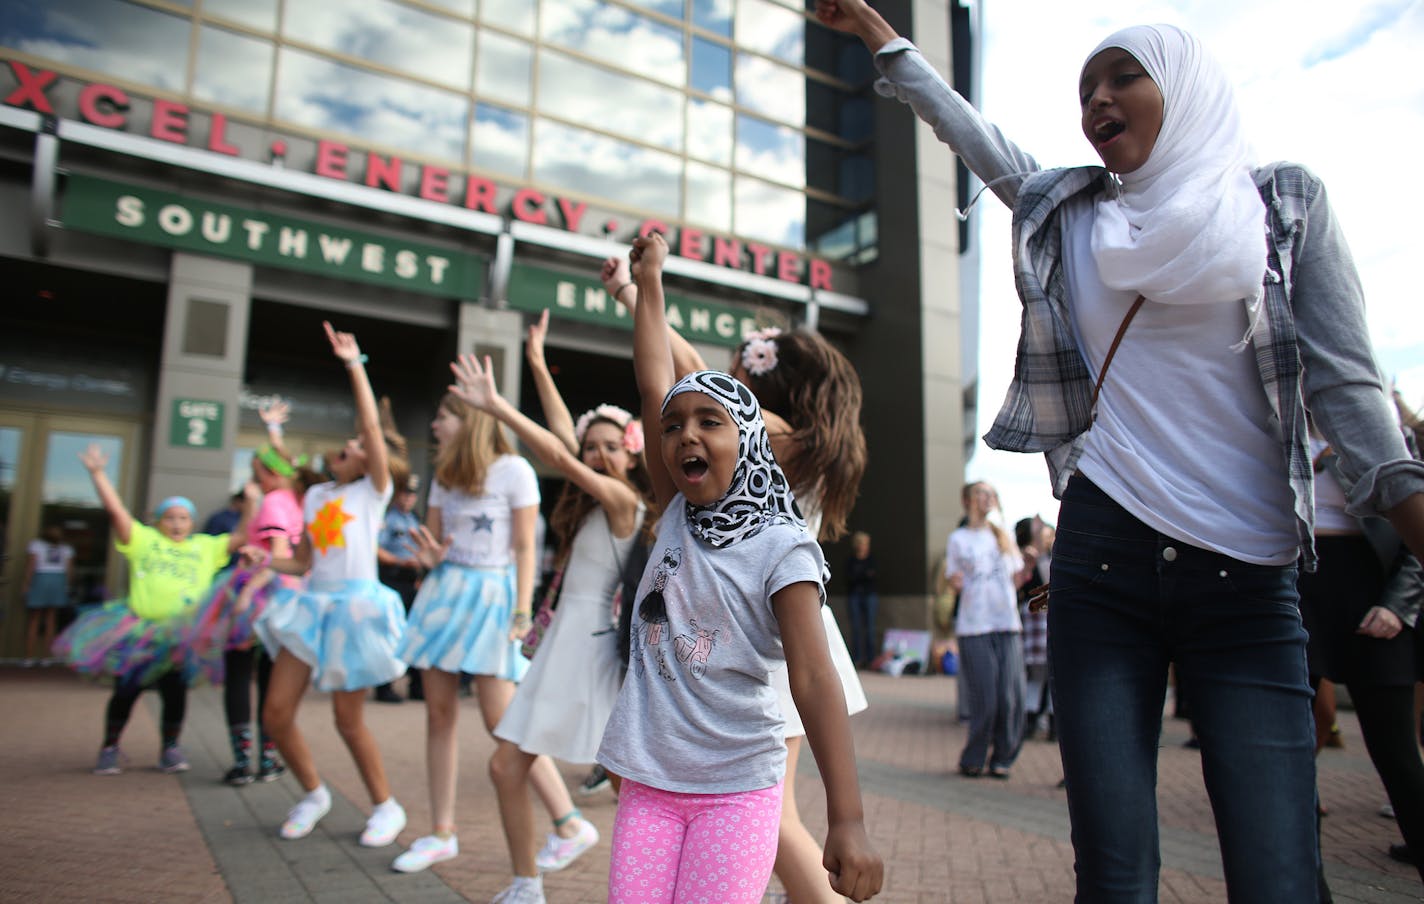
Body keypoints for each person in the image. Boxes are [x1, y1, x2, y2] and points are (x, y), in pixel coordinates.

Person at [819, 3, 1424, 899]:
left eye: (1122, 79)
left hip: (1249, 585)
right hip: (1103, 568)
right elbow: (976, 138)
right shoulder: (1072, 212)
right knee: (1114, 873)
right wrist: (881, 39)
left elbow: (1348, 391)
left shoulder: (1283, 203)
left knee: (1281, 874)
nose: (1097, 101)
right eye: (1084, 91)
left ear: (1183, 89)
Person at [595, 232, 882, 904]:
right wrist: (647, 284)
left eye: (711, 421)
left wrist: (851, 819)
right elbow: (655, 380)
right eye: (673, 428)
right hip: (652, 779)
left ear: (749, 436)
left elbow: (814, 677)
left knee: (774, 839)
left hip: (737, 768)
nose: (686, 434)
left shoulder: (782, 533)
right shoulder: (675, 511)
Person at [442, 318, 653, 900]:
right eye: (595, 447)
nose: (600, 454)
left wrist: (500, 408)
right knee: (507, 767)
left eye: (613, 447)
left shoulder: (623, 500)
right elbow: (566, 436)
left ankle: (669, 881)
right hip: (563, 643)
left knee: (627, 786)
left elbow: (561, 450)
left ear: (631, 457)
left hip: (594, 652)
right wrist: (536, 359)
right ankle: (525, 884)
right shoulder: (586, 503)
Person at [251, 322, 409, 848]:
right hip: (311, 608)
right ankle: (314, 793)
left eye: (357, 443)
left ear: (370, 457)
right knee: (275, 713)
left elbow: (368, 422)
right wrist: (268, 561)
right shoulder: (316, 497)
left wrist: (353, 364)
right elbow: (301, 561)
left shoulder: (373, 491)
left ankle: (386, 807)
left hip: (355, 610)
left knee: (347, 719)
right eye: (346, 444)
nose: (347, 445)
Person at [386, 386, 553, 880]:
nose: (436, 426)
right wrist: (429, 556)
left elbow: (525, 547)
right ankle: (441, 831)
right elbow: (435, 545)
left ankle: (565, 820)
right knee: (438, 714)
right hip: (445, 593)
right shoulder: (444, 474)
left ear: (470, 420)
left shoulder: (514, 470)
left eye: (443, 416)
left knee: (502, 718)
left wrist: (522, 612)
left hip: (492, 597)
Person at [53, 449, 252, 775]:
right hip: (141, 631)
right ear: (158, 521)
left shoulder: (204, 546)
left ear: (191, 522)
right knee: (127, 689)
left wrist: (252, 501)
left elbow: (243, 535)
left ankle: (170, 749)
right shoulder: (144, 541)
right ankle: (110, 747)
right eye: (170, 517)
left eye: (183, 518)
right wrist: (98, 474)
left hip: (180, 636)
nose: (177, 523)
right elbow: (117, 512)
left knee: (175, 693)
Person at [1301, 433, 1424, 885]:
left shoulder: (1374, 424)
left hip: (1370, 584)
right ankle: (1309, 888)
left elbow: (1415, 522)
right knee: (1293, 754)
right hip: (1293, 583)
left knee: (1396, 753)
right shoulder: (1272, 419)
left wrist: (1398, 605)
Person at [183, 442, 311, 786]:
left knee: (241, 675)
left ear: (267, 472)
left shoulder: (274, 502)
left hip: (260, 594)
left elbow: (278, 552)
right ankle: (267, 758)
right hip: (291, 598)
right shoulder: (299, 501)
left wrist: (249, 592)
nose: (254, 479)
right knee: (271, 677)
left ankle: (244, 761)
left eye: (257, 472)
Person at [945, 482, 1030, 778]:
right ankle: (974, 756)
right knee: (986, 696)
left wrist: (1027, 568)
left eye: (991, 493)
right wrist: (955, 582)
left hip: (1006, 623)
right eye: (981, 493)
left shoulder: (1002, 535)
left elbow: (1017, 579)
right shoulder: (958, 538)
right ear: (967, 499)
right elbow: (953, 579)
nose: (986, 498)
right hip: (974, 626)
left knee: (1011, 697)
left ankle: (1003, 757)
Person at [374, 473, 424, 704]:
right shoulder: (387, 517)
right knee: (388, 632)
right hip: (392, 578)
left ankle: (416, 684)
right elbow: (376, 548)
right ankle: (384, 686)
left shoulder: (414, 517)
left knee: (413, 632)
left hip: (411, 580)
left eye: (412, 494)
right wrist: (398, 561)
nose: (408, 499)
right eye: (405, 493)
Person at [23, 523, 74, 665]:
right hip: (58, 580)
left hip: (40, 578)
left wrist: (27, 584)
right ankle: (46, 658)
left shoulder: (36, 545)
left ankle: (28, 657)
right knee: (51, 620)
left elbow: (31, 566)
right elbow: (69, 570)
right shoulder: (66, 548)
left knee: (34, 619)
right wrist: (67, 585)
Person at [845, 531, 879, 668]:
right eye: (862, 543)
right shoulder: (851, 560)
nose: (864, 546)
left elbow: (873, 575)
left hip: (869, 595)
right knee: (856, 628)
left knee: (870, 627)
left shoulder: (871, 559)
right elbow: (849, 577)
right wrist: (864, 575)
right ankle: (857, 658)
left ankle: (871, 659)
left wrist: (860, 576)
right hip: (854, 595)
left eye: (866, 544)